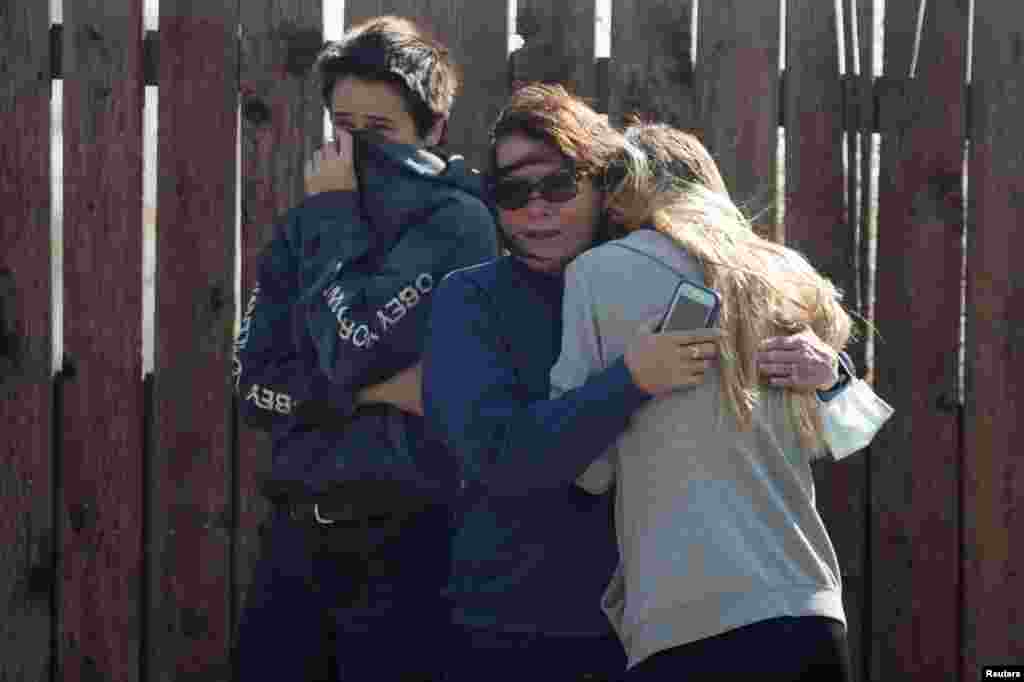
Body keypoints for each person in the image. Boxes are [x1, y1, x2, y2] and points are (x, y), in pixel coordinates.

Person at [420, 86, 841, 681]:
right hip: (520, 627)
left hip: (660, 630)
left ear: (604, 186)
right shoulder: (471, 300)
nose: (536, 209)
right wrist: (629, 382)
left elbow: (787, 342)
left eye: (558, 186)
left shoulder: (663, 272)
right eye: (512, 193)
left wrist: (827, 369)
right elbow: (498, 456)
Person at [231, 16, 498, 681]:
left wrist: (331, 221)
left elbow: (353, 349)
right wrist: (375, 394)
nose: (355, 149)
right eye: (342, 128)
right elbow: (252, 387)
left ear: (432, 131)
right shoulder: (308, 223)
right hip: (294, 542)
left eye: (378, 132)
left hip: (403, 549)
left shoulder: (457, 224)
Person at [550, 122, 857, 679]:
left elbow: (586, 469)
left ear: (620, 194)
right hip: (807, 604)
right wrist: (834, 376)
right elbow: (849, 434)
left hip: (685, 620)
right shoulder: (788, 274)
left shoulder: (595, 273)